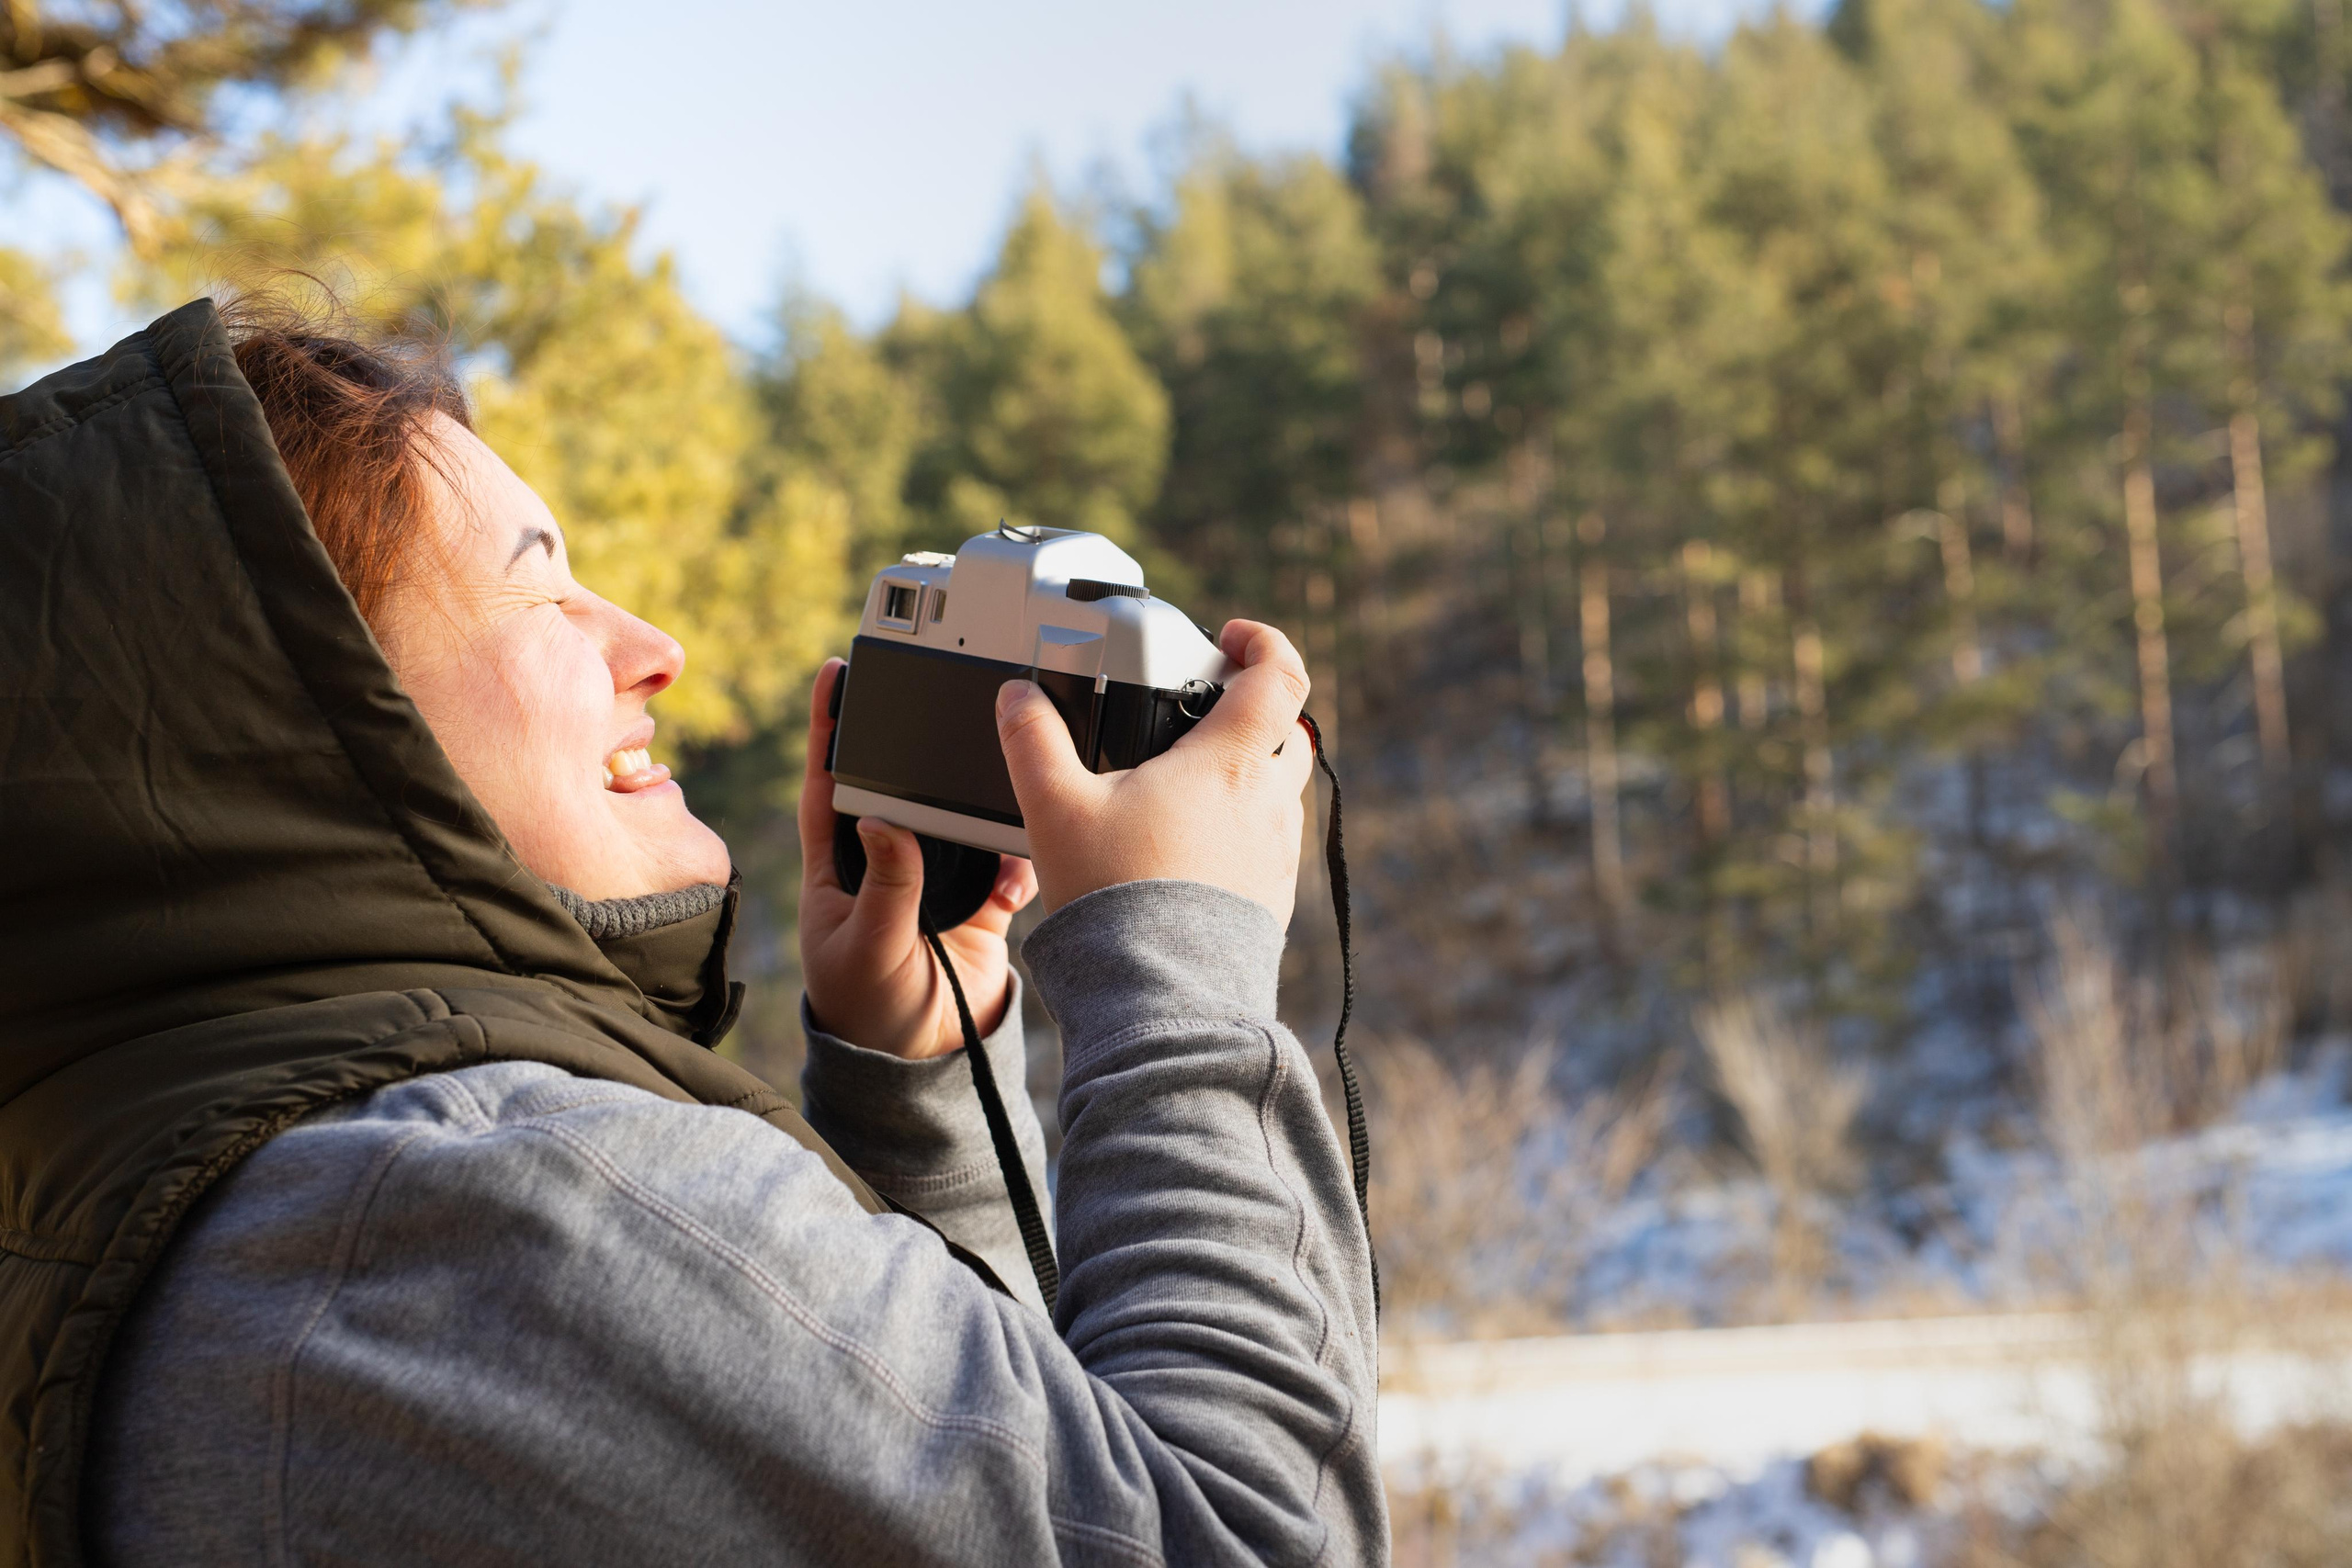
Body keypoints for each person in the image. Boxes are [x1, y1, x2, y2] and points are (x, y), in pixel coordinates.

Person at [0, 299, 1384, 1567]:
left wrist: (927, 1094)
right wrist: (1182, 967)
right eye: (542, 588)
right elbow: (1248, 1539)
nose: (653, 642)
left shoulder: (194, 1196)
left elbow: (1028, 1499)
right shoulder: (488, 1204)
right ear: (305, 708)